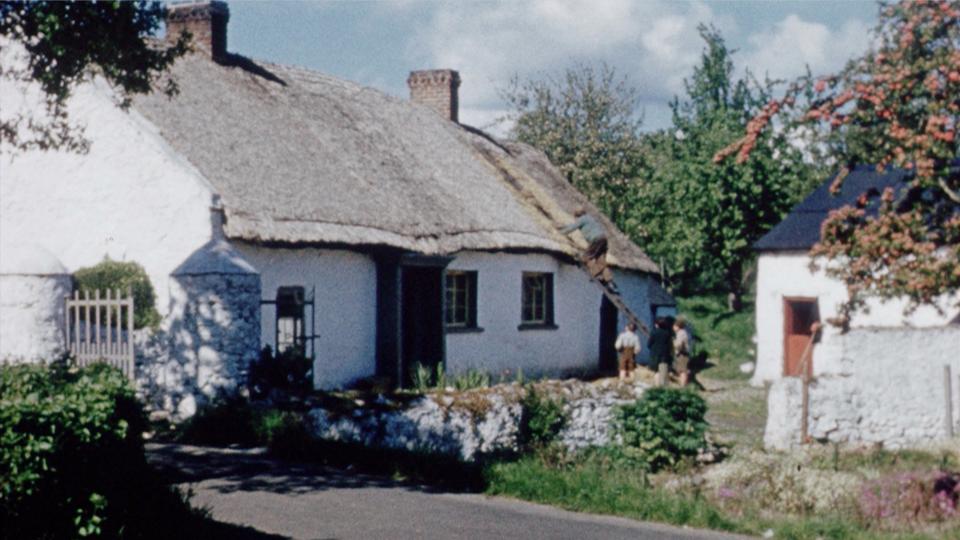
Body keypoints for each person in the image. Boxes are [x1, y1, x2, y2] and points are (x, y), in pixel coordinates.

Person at [559, 207, 615, 288]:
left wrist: (560, 233)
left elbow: (572, 227)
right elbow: (571, 225)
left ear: (578, 215)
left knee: (586, 257)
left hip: (596, 239)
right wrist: (563, 227)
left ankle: (597, 274)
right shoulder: (590, 218)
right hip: (603, 239)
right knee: (601, 262)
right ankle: (610, 282)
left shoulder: (582, 219)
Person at [647, 317, 673, 387]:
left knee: (656, 371)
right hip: (665, 354)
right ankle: (664, 386)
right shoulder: (667, 333)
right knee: (664, 370)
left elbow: (649, 344)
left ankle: (657, 386)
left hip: (655, 354)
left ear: (657, 325)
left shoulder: (654, 332)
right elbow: (670, 345)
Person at [673, 317, 691, 387]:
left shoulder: (680, 333)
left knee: (682, 371)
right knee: (681, 370)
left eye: (674, 326)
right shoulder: (682, 332)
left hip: (682, 354)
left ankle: (683, 386)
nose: (673, 328)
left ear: (677, 326)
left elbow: (679, 344)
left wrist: (673, 343)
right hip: (683, 353)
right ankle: (682, 385)